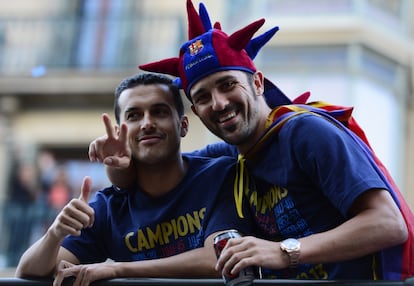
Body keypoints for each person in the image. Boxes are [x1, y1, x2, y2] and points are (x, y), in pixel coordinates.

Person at [97, 0, 413, 281]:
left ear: (258, 82)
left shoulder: (304, 133)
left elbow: (388, 223)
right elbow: (165, 167)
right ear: (195, 111)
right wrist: (119, 168)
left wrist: (284, 251)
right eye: (204, 96)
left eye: (227, 84)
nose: (219, 103)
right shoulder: (232, 155)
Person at [15, 73, 252, 285]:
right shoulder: (107, 208)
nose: (147, 123)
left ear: (183, 125)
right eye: (134, 115)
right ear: (120, 132)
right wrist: (55, 233)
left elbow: (220, 258)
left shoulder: (219, 174)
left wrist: (118, 269)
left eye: (159, 112)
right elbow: (28, 273)